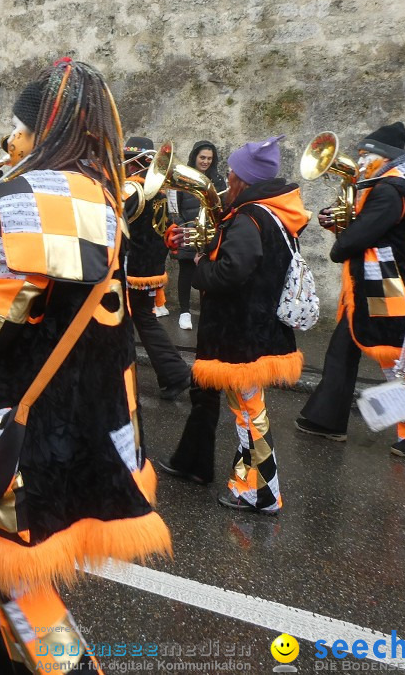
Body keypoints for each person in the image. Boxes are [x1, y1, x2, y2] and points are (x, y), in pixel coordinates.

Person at [0, 59, 171, 672]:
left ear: (45, 131)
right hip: (67, 418)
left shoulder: (35, 201)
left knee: (17, 589)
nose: (11, 142)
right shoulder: (95, 192)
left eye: (19, 130)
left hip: (17, 429)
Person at [159, 135, 310, 515]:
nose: (226, 173)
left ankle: (261, 492)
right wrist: (192, 244)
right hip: (250, 329)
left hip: (242, 332)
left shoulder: (250, 217)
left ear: (245, 178)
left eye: (232, 170)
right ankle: (245, 483)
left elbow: (231, 271)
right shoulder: (266, 212)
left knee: (248, 414)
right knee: (247, 411)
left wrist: (195, 266)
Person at [297, 122, 405, 459]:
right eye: (360, 157)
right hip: (390, 282)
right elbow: (376, 230)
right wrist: (342, 222)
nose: (360, 163)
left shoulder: (390, 190)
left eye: (367, 157)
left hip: (390, 285)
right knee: (395, 364)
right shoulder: (397, 185)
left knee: (400, 365)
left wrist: (342, 240)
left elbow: (361, 236)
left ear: (385, 158)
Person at [123, 136, 191, 400]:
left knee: (124, 323)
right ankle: (174, 373)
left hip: (131, 269)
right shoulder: (161, 191)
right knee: (145, 320)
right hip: (150, 268)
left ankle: (120, 380)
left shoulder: (131, 189)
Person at [171, 140, 225, 331]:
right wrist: (180, 227)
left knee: (208, 272)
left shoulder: (218, 180)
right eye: (202, 157)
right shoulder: (183, 178)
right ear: (195, 157)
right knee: (186, 271)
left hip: (209, 234)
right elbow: (175, 207)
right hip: (188, 230)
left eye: (209, 158)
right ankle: (184, 312)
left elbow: (221, 207)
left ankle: (206, 312)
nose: (205, 161)